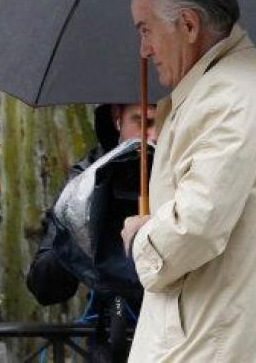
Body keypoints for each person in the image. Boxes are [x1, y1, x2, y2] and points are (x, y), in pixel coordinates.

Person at [121, 0, 256, 362]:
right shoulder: (241, 80)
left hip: (217, 345)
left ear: (189, 25)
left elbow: (195, 228)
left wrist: (139, 238)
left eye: (145, 30)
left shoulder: (226, 94)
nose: (143, 49)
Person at [26, 103, 156, 362]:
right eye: (143, 122)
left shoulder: (188, 173)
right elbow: (44, 286)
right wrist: (80, 226)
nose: (153, 136)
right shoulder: (90, 175)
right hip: (113, 333)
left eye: (166, 123)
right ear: (117, 118)